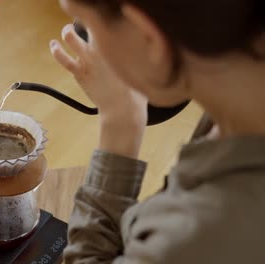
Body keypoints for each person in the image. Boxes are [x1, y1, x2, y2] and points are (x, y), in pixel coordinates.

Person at [49, 0, 265, 263]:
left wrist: (119, 124)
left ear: (148, 37)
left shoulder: (195, 234)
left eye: (86, 26)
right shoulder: (239, 110)